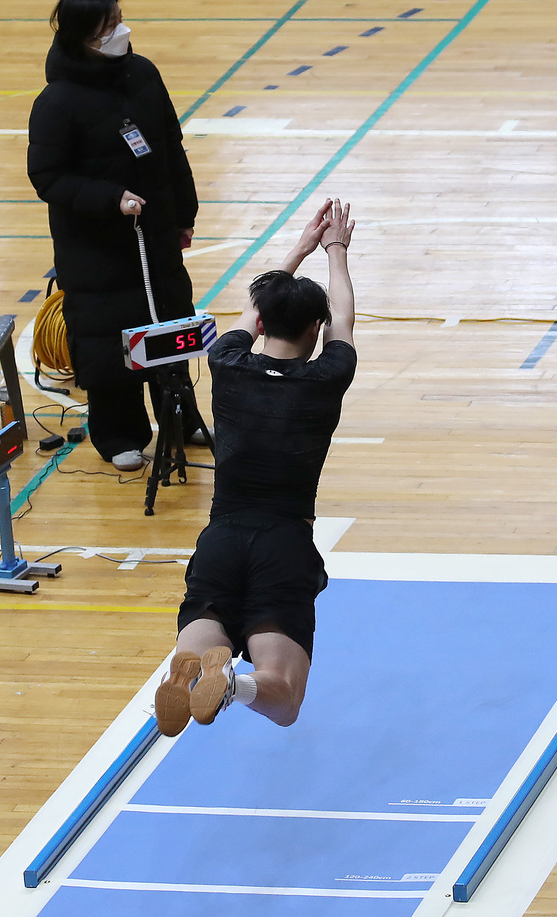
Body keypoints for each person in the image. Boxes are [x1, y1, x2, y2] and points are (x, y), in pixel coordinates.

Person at [153, 199, 356, 736]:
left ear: (261, 322)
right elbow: (344, 318)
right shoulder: (326, 377)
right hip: (283, 546)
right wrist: (335, 252)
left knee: (202, 638)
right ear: (317, 328)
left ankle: (197, 669)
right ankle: (234, 684)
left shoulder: (227, 363)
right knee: (282, 698)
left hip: (221, 539)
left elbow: (254, 306)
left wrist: (300, 249)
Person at [28, 0, 207, 471]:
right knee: (113, 341)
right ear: (85, 37)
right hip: (98, 248)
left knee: (170, 326)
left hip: (156, 236)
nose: (120, 32)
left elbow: (171, 145)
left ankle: (181, 416)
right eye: (109, 28)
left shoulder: (143, 73)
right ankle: (120, 434)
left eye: (120, 20)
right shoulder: (57, 102)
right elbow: (47, 177)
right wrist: (111, 199)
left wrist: (183, 216)